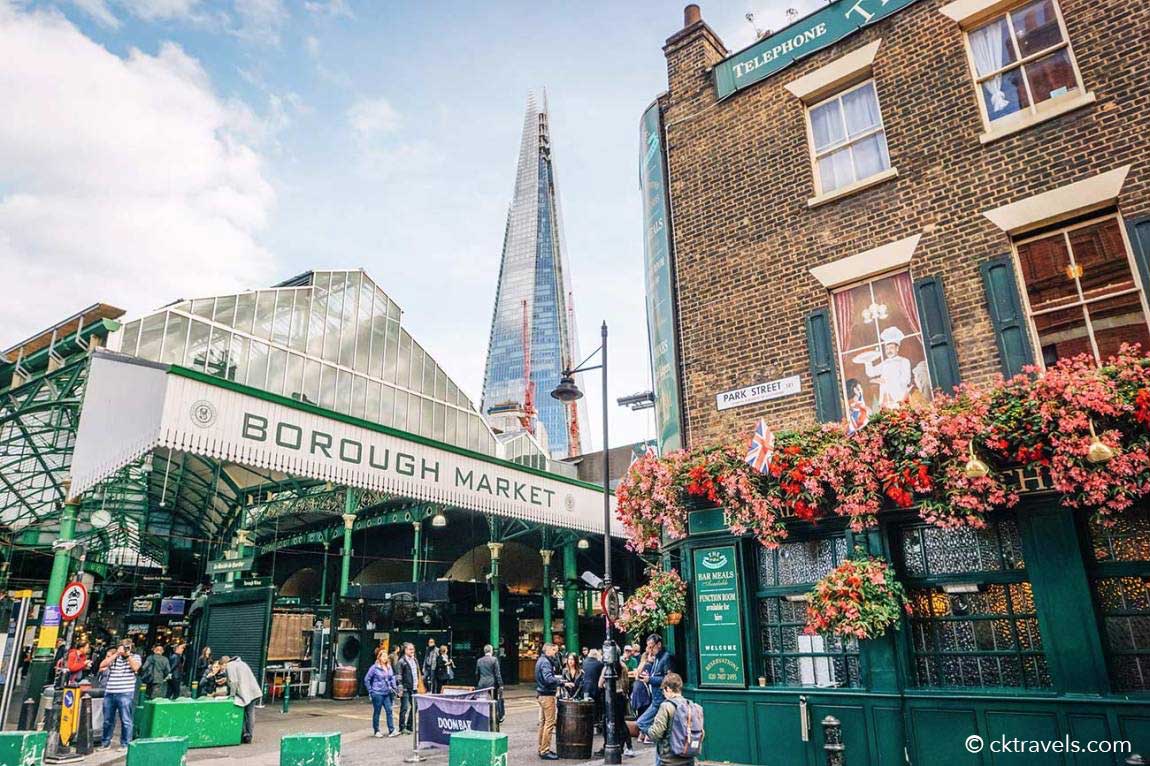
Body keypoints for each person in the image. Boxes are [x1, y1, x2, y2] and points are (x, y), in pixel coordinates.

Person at [98, 640, 141, 750]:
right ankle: (105, 743)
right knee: (107, 720)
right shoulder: (115, 657)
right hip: (110, 691)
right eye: (123, 647)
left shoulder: (135, 657)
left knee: (126, 720)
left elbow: (135, 667)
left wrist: (127, 656)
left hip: (125, 692)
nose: (125, 649)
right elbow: (102, 665)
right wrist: (117, 654)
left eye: (127, 647)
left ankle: (125, 744)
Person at [645, 673, 696, 766]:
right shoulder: (691, 705)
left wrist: (648, 731)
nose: (663, 694)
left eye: (663, 691)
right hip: (689, 757)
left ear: (668, 689)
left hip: (670, 759)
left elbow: (656, 733)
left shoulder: (666, 706)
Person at [598, 655, 636, 759]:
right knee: (621, 722)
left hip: (609, 697)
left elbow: (600, 684)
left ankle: (608, 745)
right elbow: (626, 685)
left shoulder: (606, 668)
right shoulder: (623, 666)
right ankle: (629, 746)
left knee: (608, 721)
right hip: (620, 697)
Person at [635, 634, 673, 736]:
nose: (650, 650)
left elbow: (668, 679)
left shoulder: (665, 657)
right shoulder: (657, 658)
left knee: (641, 722)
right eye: (648, 647)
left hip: (661, 699)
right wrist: (648, 676)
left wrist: (650, 679)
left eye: (651, 647)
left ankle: (659, 737)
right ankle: (661, 738)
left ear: (659, 644)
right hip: (656, 699)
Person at [221, 655, 262, 744]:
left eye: (222, 667)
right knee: (250, 713)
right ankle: (248, 735)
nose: (223, 670)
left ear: (224, 664)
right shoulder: (242, 663)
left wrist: (231, 695)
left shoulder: (230, 665)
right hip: (253, 691)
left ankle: (245, 734)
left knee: (247, 714)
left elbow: (234, 681)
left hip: (246, 693)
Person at [364, 652, 399, 738]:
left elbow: (392, 677)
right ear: (379, 657)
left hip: (387, 692)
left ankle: (392, 730)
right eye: (383, 656)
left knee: (389, 710)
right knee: (377, 712)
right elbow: (367, 679)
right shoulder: (374, 668)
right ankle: (377, 731)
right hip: (377, 693)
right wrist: (370, 691)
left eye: (386, 656)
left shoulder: (389, 667)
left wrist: (394, 687)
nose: (385, 658)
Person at [535, 643, 560, 761]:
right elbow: (548, 678)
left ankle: (541, 747)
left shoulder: (540, 660)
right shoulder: (545, 662)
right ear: (547, 650)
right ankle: (545, 751)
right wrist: (561, 682)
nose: (554, 652)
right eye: (553, 650)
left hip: (541, 694)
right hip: (547, 695)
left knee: (543, 723)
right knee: (549, 723)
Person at [474, 644, 503, 722]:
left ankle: (481, 717)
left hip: (481, 683)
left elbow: (476, 673)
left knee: (481, 701)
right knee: (494, 700)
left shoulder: (479, 660)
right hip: (491, 683)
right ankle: (495, 717)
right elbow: (497, 674)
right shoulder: (494, 660)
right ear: (491, 651)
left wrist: (478, 683)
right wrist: (500, 685)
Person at [397, 642, 420, 734]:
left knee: (415, 706)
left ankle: (410, 726)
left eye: (413, 649)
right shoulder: (401, 661)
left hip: (414, 687)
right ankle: (402, 728)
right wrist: (400, 689)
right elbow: (398, 676)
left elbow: (416, 673)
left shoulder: (415, 660)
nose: (412, 651)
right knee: (404, 707)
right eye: (410, 649)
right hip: (405, 688)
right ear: (405, 650)